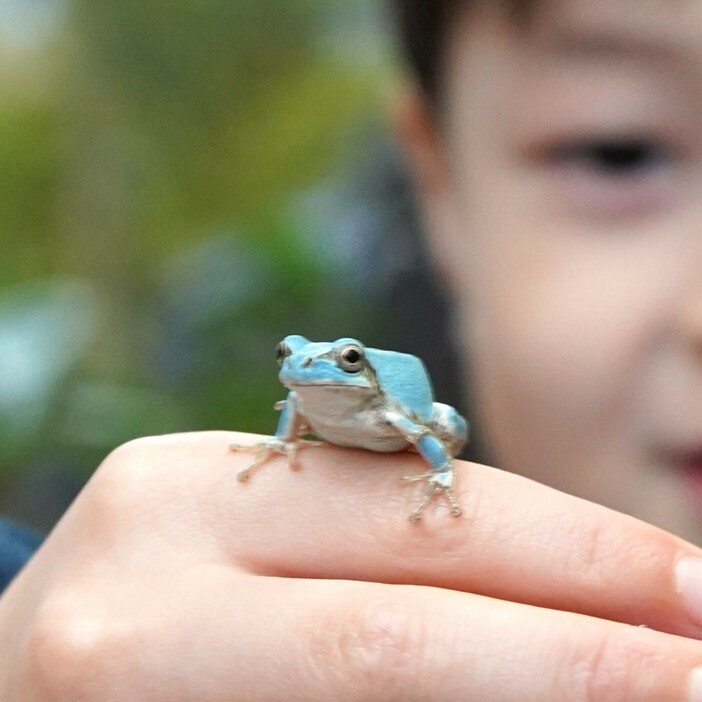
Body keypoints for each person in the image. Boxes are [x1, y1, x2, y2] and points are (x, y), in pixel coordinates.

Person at [3, 0, 702, 698]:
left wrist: (436, 474)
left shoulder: (387, 403)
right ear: (437, 181)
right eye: (619, 152)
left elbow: (429, 433)